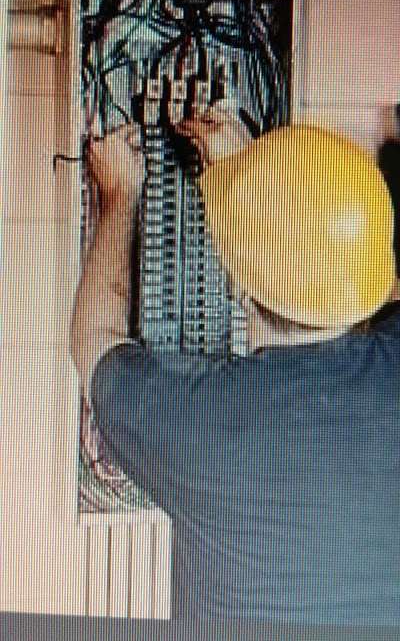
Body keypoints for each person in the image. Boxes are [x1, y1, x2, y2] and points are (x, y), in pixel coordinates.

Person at [70, 104, 400, 625]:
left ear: (239, 287)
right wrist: (250, 179)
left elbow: (95, 342)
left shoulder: (206, 421)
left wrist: (118, 194)